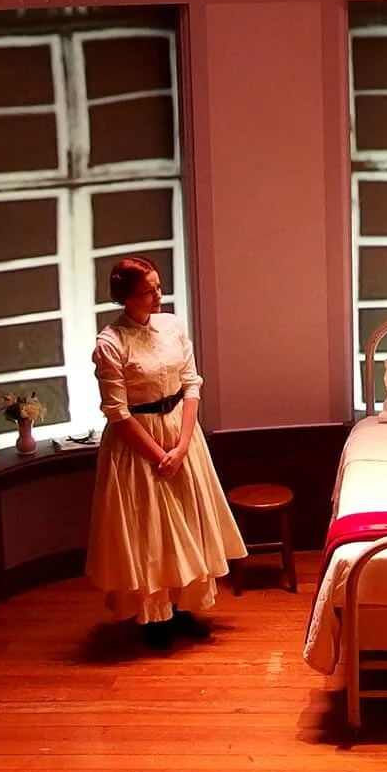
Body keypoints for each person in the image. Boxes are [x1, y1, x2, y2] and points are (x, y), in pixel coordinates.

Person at [84, 258, 247, 648]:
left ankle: (183, 606)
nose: (157, 295)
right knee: (151, 530)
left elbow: (191, 384)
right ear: (127, 297)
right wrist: (160, 455)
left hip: (180, 432)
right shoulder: (111, 343)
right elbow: (118, 412)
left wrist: (184, 444)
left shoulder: (172, 325)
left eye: (158, 286)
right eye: (147, 290)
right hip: (139, 441)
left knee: (187, 522)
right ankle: (154, 616)